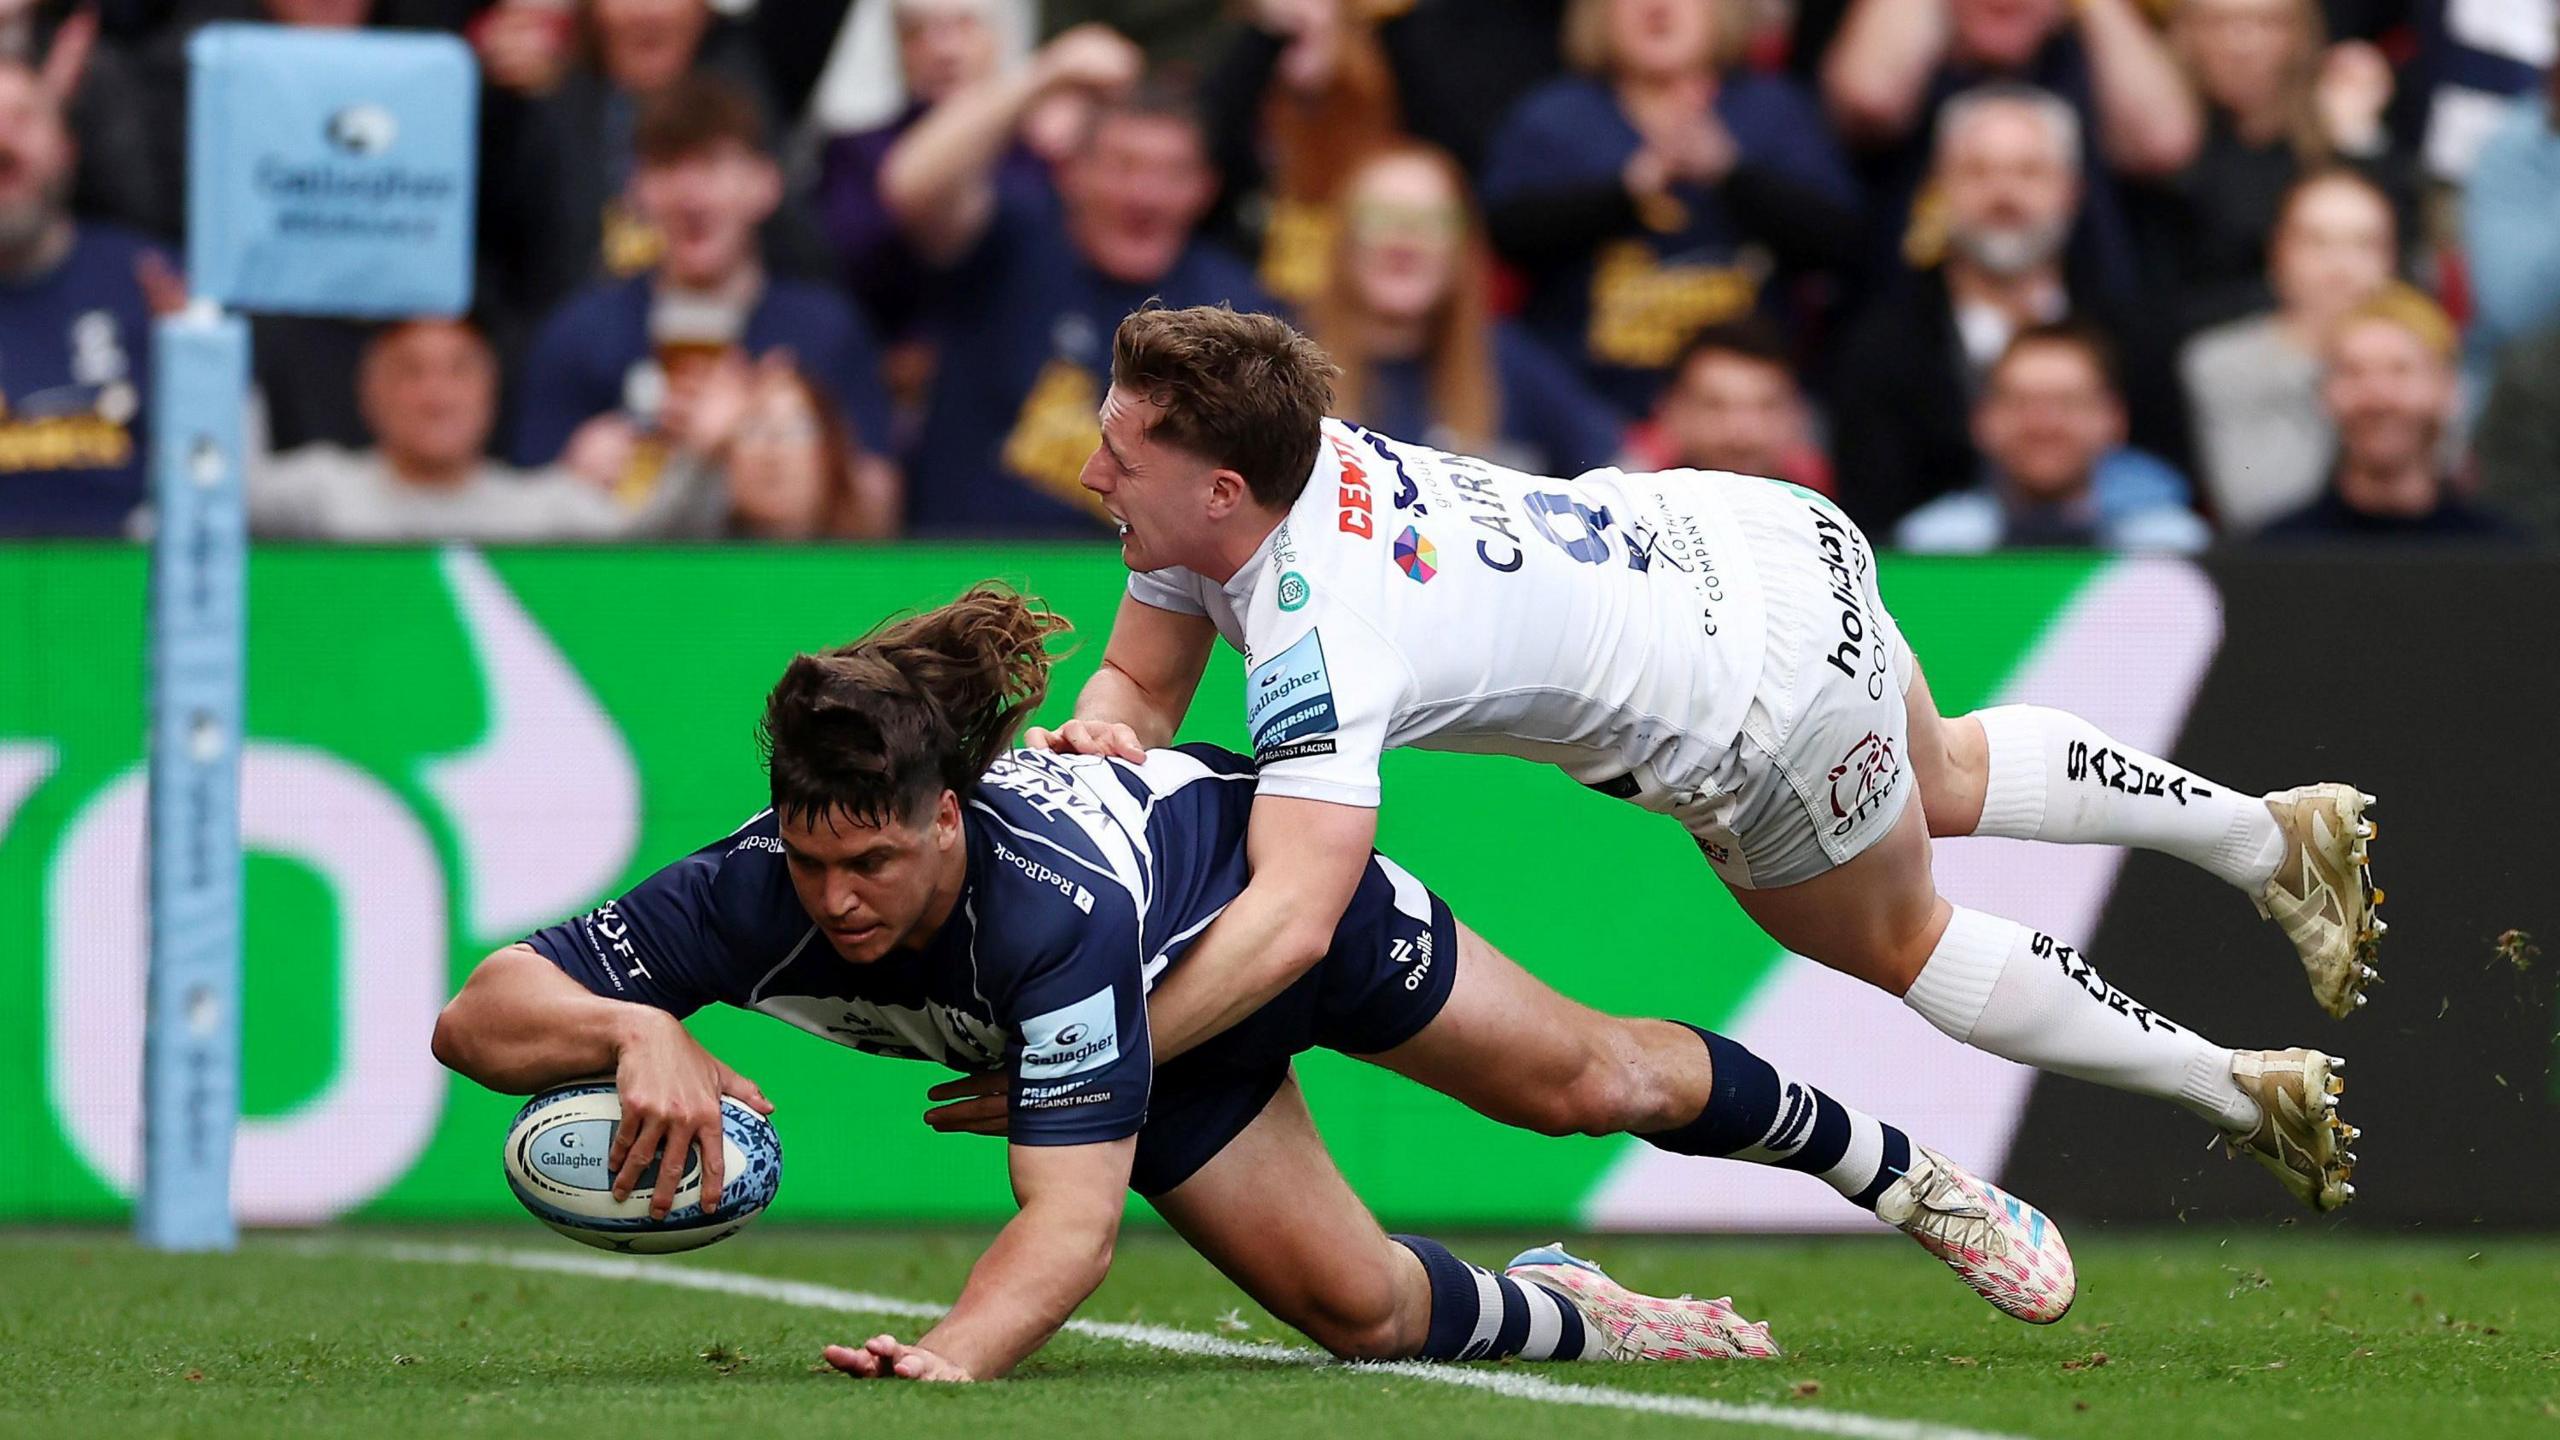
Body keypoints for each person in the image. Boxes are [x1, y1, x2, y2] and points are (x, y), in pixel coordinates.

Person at [431, 587, 2082, 1384]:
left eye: (878, 864)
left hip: (1273, 907)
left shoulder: (1044, 908)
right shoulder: (749, 891)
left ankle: (1900, 1171)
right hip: (1139, 1025)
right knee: (1360, 1317)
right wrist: (634, 1025)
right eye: (814, 864)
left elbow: (1065, 1224)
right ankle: (1587, 1308)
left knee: (1593, 1083)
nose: (841, 902)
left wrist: (950, 1357)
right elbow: (477, 1018)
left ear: (951, 812)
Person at [1038, 303, 2376, 1230]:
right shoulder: (1260, 453)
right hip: (1754, 532)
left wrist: (1092, 1060)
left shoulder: (1322, 645)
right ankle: (2268, 839)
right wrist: (1110, 725)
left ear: (1220, 489)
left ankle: (2238, 1087)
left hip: (1756, 701)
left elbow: (1288, 925)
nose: (1093, 468)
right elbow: (1145, 678)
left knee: (1900, 937)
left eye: (1122, 452)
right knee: (1949, 775)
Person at [885, 51, 1270, 536]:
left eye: (1173, 173)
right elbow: (912, 186)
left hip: (1147, 597)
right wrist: (1047, 74)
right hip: (966, 585)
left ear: (1206, 190)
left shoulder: (1237, 311)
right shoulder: (1004, 247)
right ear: (1070, 172)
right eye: (1123, 165)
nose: (1144, 196)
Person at [509, 73, 897, 526]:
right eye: (667, 166)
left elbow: (880, 505)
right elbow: (521, 522)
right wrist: (567, 476)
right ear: (635, 191)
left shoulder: (824, 331)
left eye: (712, 164)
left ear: (765, 184)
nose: (690, 195)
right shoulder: (580, 332)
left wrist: (768, 446)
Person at [1829, 83, 2191, 532]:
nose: (2004, 194)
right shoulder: (1883, 346)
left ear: (2072, 191)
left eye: (2029, 171)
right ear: (1938, 193)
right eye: (1978, 172)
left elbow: (2175, 484)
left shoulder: (2134, 333)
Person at [1480, 0, 1860, 419]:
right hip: (1589, 410)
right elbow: (1505, 232)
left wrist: (1729, 174)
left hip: (1748, 417)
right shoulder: (1555, 117)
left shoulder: (1774, 110)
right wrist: (1625, 193)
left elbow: (1839, 240)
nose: (1657, 7)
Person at [1820, 0, 2199, 296]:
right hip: (1919, 343)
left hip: (2081, 332)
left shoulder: (2084, 63)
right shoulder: (1915, 62)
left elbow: (2165, 142)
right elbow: (1869, 97)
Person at [1308, 142, 1624, 479]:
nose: (1403, 240)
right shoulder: (1282, 365)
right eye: (1379, 217)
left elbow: (1623, 478)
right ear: (1344, 240)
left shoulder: (1510, 363)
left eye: (1431, 221)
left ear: (1463, 248)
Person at [250, 317, 688, 542]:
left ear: (491, 388)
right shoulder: (321, 493)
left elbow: (658, 540)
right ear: (369, 392)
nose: (436, 395)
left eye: (459, 370)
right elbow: (218, 500)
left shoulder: (544, 510)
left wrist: (701, 448)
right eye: (411, 372)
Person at [2160, 0, 2410, 332]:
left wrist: (2357, 144)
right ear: (2185, 34)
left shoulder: (2341, 140)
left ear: (2302, 36)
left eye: (2268, 22)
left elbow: (2394, 264)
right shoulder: (2160, 152)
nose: (2242, 44)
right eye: (2217, 22)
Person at [0, 56, 169, 537]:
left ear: (68, 149)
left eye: (23, 118)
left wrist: (199, 359)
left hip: (124, 579)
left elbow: (221, 461)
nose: (3, 142)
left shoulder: (150, 280)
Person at [814, 0, 1046, 348]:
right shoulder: (858, 152)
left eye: (965, 25)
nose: (943, 49)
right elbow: (860, 257)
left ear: (999, 39)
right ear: (898, 48)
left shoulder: (1038, 151)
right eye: (917, 32)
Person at [2179, 167, 2397, 535]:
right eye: (2317, 242)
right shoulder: (2222, 364)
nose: (2340, 268)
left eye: (2364, 244)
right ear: (2278, 253)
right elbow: (2255, 506)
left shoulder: (2421, 359)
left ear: (2391, 261)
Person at [1898, 323, 2207, 553]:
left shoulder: (2175, 550)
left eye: (2068, 402)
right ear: (1982, 420)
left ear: (2114, 419)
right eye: (2021, 403)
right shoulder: (1928, 548)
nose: (2045, 424)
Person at [2260, 284, 2524, 545]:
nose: (2378, 396)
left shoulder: (2506, 555)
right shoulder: (2271, 555)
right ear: (2325, 394)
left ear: (2449, 389)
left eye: (2400, 371)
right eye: (2354, 372)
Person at [1640, 319, 1823, 490]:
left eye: (1766, 407)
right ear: (1670, 409)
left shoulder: (1828, 501)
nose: (1742, 435)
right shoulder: (1626, 500)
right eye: (1715, 406)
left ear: (1797, 414)